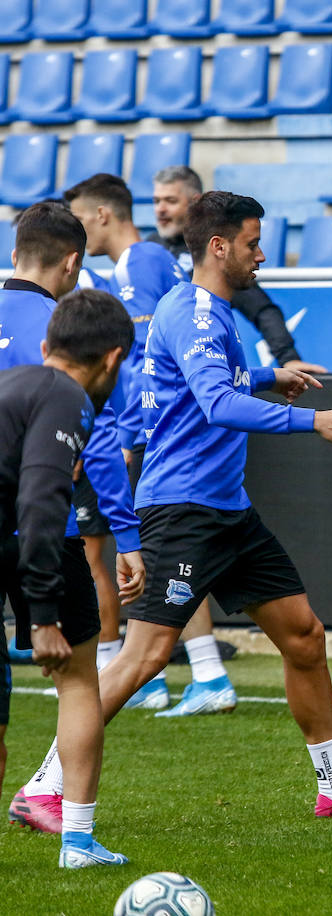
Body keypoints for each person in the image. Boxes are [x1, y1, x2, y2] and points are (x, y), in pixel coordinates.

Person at [15, 191, 332, 821]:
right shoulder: (196, 311)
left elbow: (193, 384)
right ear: (220, 246)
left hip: (227, 508)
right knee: (144, 658)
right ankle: (43, 785)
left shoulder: (203, 310)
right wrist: (311, 420)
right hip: (184, 509)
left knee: (305, 637)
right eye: (253, 242)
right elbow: (216, 404)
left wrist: (262, 376)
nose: (262, 254)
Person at [65, 173, 239, 717]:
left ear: (101, 215)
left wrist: (129, 431)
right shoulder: (126, 268)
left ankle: (191, 672)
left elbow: (150, 357)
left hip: (149, 434)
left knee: (155, 556)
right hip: (144, 432)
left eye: (80, 219)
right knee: (156, 557)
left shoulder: (142, 263)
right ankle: (186, 672)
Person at [1, 203, 148, 837]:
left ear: (14, 252)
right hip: (46, 529)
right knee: (79, 680)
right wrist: (127, 535)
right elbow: (104, 441)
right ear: (72, 262)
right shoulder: (63, 330)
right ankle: (69, 822)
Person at [147, 166, 326, 375]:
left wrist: (288, 358)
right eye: (156, 201)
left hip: (186, 377)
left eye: (170, 201)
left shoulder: (218, 256)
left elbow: (261, 308)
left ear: (195, 202)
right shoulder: (147, 249)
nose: (160, 209)